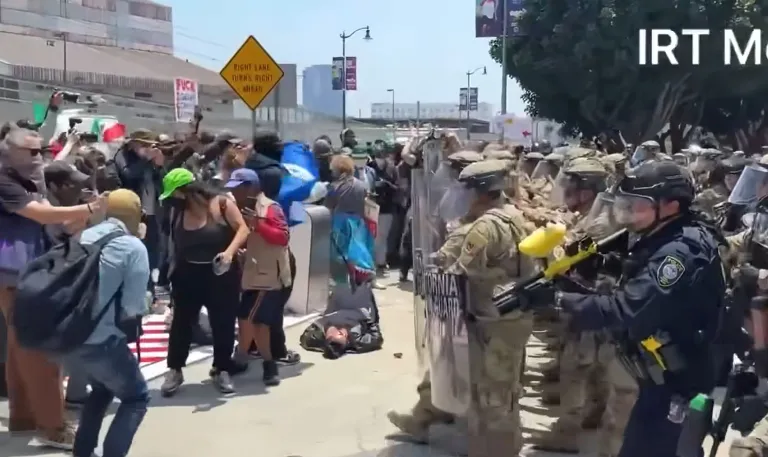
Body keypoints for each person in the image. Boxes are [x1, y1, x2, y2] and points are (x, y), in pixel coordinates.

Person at [525, 160, 726, 457]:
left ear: (670, 206)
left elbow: (625, 309)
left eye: (637, 205)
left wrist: (557, 300)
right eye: (626, 203)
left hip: (677, 384)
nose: (628, 212)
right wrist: (604, 265)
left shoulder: (681, 252)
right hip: (657, 379)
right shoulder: (660, 236)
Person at [0, 126, 106, 450]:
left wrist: (70, 148)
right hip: (18, 276)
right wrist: (86, 210)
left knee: (20, 348)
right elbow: (40, 213)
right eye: (32, 152)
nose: (39, 156)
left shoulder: (25, 177)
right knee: (41, 353)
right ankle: (51, 426)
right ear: (10, 153)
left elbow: (48, 191)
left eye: (40, 150)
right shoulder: (5, 181)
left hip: (24, 275)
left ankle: (24, 417)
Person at [63, 189, 151, 457]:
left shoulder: (83, 236)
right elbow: (133, 308)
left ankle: (83, 451)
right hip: (103, 341)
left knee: (101, 389)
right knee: (136, 397)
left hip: (70, 337)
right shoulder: (133, 247)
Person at [158, 168, 250, 396]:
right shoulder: (177, 212)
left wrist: (229, 253)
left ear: (188, 191)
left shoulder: (221, 204)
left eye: (174, 194)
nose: (172, 200)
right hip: (187, 274)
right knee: (181, 323)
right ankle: (175, 369)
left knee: (223, 323)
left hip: (220, 273)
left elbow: (243, 228)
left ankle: (221, 368)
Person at [227, 168, 296, 384]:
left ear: (251, 188)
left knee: (254, 320)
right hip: (253, 273)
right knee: (250, 319)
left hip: (269, 276)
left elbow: (283, 237)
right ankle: (247, 359)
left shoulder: (270, 208)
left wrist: (259, 225)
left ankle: (264, 364)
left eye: (238, 188)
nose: (234, 193)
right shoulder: (240, 207)